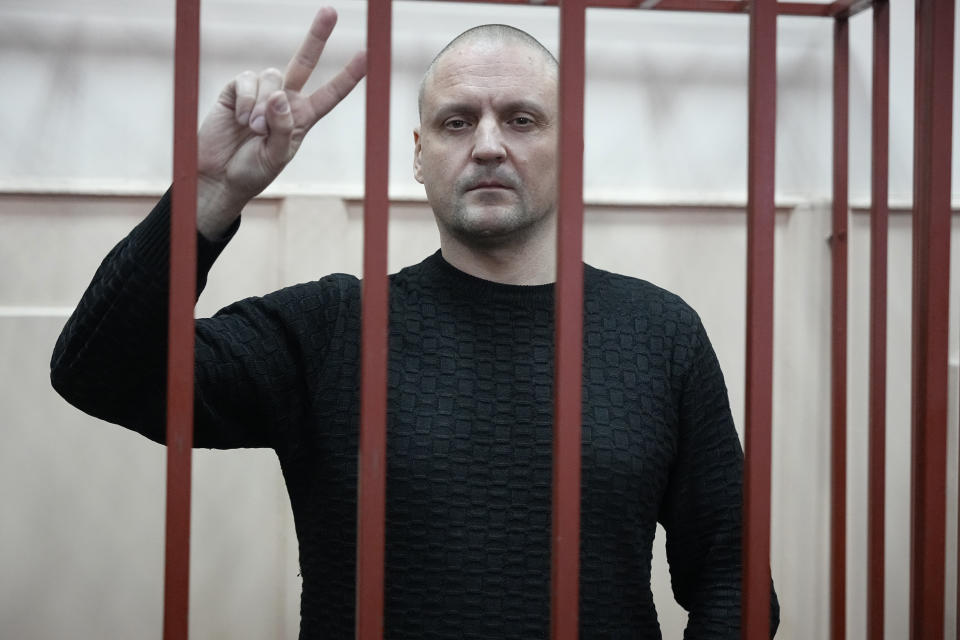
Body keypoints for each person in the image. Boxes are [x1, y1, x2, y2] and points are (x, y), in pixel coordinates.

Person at [51, 7, 779, 638]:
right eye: (456, 122)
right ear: (420, 157)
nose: (488, 144)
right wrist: (209, 193)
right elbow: (98, 371)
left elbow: (733, 576)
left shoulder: (659, 333)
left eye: (521, 119)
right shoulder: (333, 329)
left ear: (573, 152)